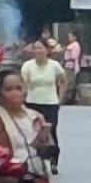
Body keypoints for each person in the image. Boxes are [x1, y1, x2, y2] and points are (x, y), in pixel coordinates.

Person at [20, 41, 68, 175]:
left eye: (40, 48)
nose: (38, 51)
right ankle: (38, 160)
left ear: (47, 50)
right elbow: (23, 84)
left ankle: (53, 160)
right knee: (34, 133)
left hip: (50, 103)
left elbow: (63, 81)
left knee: (50, 131)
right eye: (35, 48)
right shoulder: (27, 66)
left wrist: (60, 98)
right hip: (32, 103)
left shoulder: (54, 66)